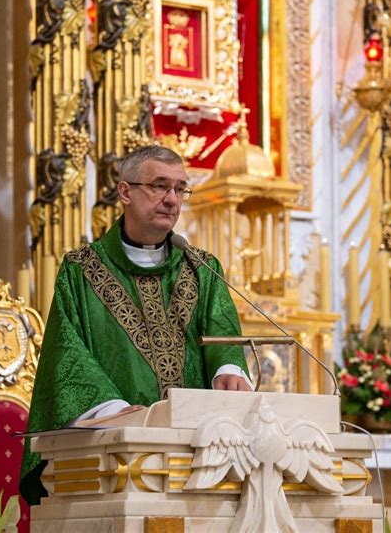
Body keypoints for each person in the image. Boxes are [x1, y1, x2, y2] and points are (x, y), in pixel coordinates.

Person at [20, 145, 251, 506]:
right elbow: (67, 352)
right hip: (112, 457)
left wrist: (229, 367)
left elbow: (221, 332)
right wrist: (109, 410)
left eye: (180, 188)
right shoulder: (81, 270)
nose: (172, 199)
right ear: (125, 192)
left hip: (197, 457)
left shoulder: (202, 270)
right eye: (159, 186)